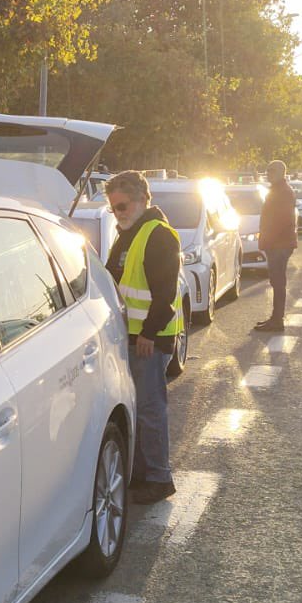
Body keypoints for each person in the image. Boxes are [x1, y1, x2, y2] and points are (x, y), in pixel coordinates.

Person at [103, 170, 182, 505]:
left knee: (150, 409)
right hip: (133, 337)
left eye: (121, 206)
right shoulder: (130, 233)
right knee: (138, 408)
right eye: (114, 209)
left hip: (150, 339)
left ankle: (160, 479)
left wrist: (148, 333)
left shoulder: (158, 235)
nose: (117, 214)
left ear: (140, 200)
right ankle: (141, 474)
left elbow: (165, 292)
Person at [255, 160, 297, 332]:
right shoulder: (278, 190)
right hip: (277, 243)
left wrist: (267, 240)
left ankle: (277, 320)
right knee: (276, 281)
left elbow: (281, 221)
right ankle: (275, 318)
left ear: (282, 172)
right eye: (267, 170)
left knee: (278, 282)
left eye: (271, 170)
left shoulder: (283, 192)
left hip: (279, 244)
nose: (268, 173)